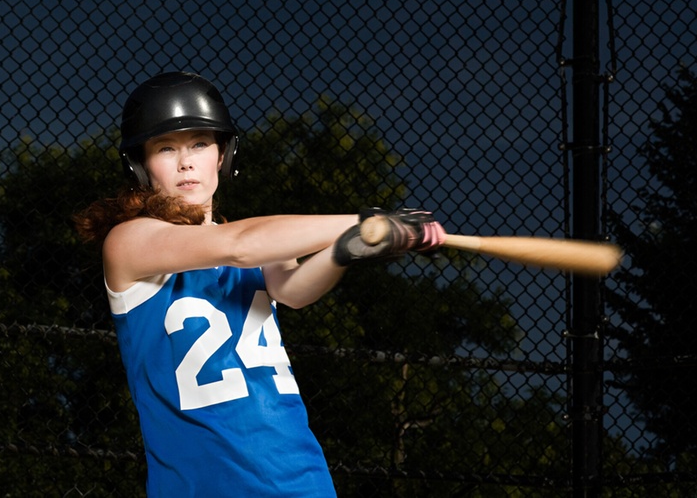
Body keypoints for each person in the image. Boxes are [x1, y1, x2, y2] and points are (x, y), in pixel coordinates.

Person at [73, 71, 446, 497]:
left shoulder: (250, 237)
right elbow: (240, 247)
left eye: (199, 143)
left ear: (222, 155)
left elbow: (295, 291)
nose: (185, 161)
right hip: (205, 486)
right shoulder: (131, 242)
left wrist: (349, 247)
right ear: (141, 164)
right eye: (165, 148)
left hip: (299, 477)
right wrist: (367, 221)